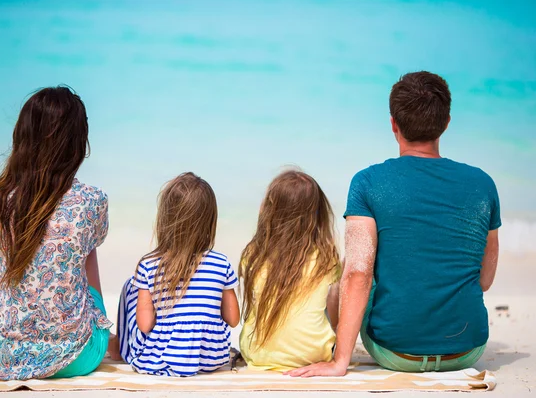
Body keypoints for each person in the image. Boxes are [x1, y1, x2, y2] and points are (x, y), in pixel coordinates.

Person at [287, 71, 501, 377]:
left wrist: (340, 363)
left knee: (354, 262)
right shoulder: (483, 184)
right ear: (447, 123)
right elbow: (485, 277)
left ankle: (337, 350)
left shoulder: (368, 182)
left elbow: (358, 273)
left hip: (396, 354)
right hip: (467, 350)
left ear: (393, 124)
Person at [0, 86, 112, 380]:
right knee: (83, 255)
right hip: (74, 357)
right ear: (77, 144)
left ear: (22, 137)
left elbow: (2, 272)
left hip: (1, 355)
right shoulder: (91, 200)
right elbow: (92, 286)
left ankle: (7, 326)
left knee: (12, 259)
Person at [110, 172, 240, 376]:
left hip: (163, 358)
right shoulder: (221, 263)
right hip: (212, 357)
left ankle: (119, 346)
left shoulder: (149, 264)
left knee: (131, 286)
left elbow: (145, 325)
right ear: (210, 219)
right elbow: (233, 319)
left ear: (165, 218)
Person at [239, 170, 342, 371]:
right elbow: (334, 313)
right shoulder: (326, 257)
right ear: (317, 214)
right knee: (329, 295)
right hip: (313, 355)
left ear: (269, 210)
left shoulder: (253, 254)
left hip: (258, 354)